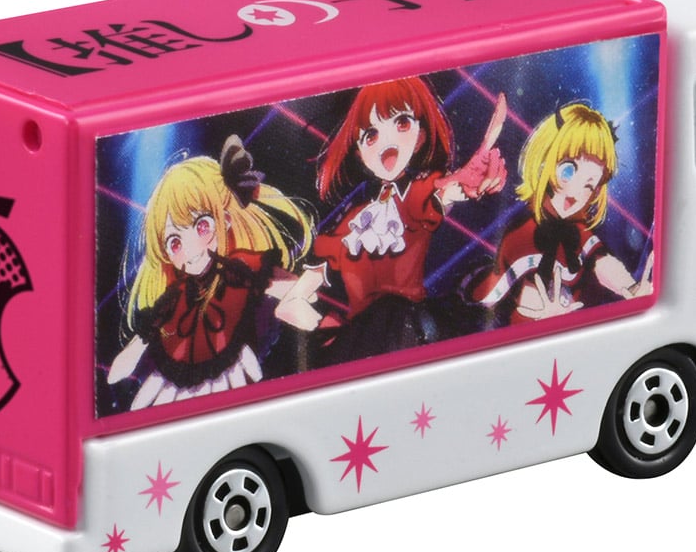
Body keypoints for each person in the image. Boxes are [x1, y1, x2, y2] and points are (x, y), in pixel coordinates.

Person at [275, 76, 507, 359]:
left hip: (405, 327)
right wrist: (322, 324)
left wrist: (468, 179)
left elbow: (444, 192)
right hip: (362, 339)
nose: (386, 142)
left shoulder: (415, 196)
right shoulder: (350, 224)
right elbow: (291, 304)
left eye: (402, 123)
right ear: (359, 152)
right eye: (370, 135)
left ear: (420, 136)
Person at [108, 137, 315, 408]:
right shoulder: (175, 298)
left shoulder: (241, 267)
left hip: (239, 363)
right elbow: (129, 355)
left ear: (224, 220)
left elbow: (288, 287)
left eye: (201, 227)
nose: (191, 249)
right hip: (184, 368)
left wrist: (298, 298)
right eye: (175, 243)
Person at [473, 104, 652, 322]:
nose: (574, 193)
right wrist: (550, 320)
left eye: (589, 185)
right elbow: (526, 300)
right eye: (568, 171)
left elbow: (602, 261)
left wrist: (632, 288)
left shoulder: (577, 231)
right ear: (544, 161)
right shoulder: (520, 236)